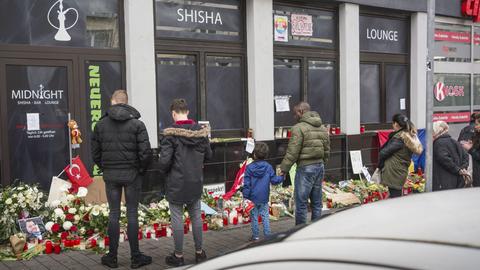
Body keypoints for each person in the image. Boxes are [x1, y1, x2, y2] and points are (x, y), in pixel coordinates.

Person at [92, 89, 152, 269]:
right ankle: (135, 257)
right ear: (125, 102)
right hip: (132, 174)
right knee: (132, 213)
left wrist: (105, 167)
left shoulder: (100, 125)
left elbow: (95, 153)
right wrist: (140, 169)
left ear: (112, 101)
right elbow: (146, 153)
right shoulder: (137, 125)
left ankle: (112, 257)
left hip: (111, 175)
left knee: (114, 214)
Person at [159, 99, 212, 267]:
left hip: (176, 183)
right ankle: (199, 253)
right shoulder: (201, 132)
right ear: (187, 112)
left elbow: (164, 162)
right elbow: (209, 155)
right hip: (195, 181)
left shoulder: (171, 134)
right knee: (196, 216)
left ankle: (179, 255)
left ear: (174, 113)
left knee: (177, 218)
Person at [279, 102, 330, 225]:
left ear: (301, 111)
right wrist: (322, 162)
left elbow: (292, 152)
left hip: (305, 168)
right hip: (319, 166)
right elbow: (327, 149)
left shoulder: (298, 128)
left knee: (301, 203)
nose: (294, 116)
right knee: (317, 203)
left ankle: (300, 232)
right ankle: (315, 230)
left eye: (295, 113)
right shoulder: (322, 127)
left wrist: (284, 169)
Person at [243, 142, 284, 241]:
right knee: (265, 216)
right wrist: (282, 176)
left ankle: (256, 236)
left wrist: (245, 197)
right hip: (264, 197)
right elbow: (274, 180)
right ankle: (267, 235)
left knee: (254, 217)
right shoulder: (268, 167)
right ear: (266, 155)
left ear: (254, 155)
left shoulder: (249, 168)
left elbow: (247, 185)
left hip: (253, 198)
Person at [378, 114, 423, 198]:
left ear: (396, 124)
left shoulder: (400, 137)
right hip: (400, 169)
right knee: (395, 195)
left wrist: (380, 163)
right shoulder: (408, 135)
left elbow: (384, 152)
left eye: (393, 123)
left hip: (394, 171)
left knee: (395, 197)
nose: (392, 126)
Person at [432, 121, 469, 191]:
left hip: (442, 183)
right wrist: (462, 170)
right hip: (457, 181)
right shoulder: (454, 142)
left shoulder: (438, 143)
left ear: (436, 131)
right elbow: (466, 156)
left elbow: (444, 159)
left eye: (433, 131)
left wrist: (458, 170)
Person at [461, 113, 480, 187]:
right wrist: (473, 145)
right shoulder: (477, 134)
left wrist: (470, 149)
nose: (475, 127)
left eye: (477, 124)